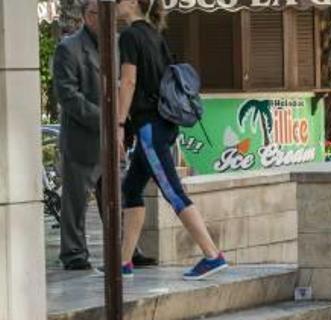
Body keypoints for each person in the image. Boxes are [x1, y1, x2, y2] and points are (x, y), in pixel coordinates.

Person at [115, 0, 227, 280]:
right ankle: (124, 261)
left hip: (149, 128)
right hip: (164, 123)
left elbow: (128, 81)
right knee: (131, 188)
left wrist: (118, 123)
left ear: (130, 3)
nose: (114, 6)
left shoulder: (130, 36)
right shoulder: (155, 34)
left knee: (173, 192)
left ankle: (212, 255)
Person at [53, 0, 155, 271]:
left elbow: (128, 84)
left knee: (118, 198)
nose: (110, 20)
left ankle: (127, 251)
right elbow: (68, 96)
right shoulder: (68, 48)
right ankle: (74, 255)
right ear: (88, 16)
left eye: (111, 14)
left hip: (116, 140)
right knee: (75, 203)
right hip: (83, 140)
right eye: (103, 14)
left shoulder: (121, 44)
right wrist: (108, 118)